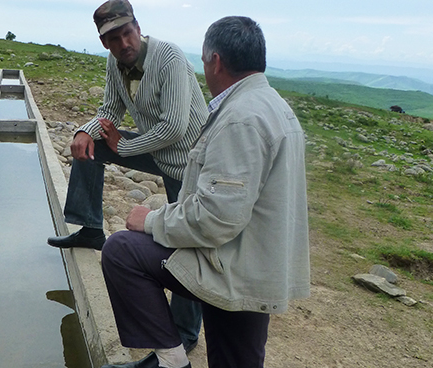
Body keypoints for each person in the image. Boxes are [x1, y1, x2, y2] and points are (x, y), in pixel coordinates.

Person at [100, 16, 311, 368]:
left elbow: (215, 218)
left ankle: (172, 361)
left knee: (122, 250)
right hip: (255, 258)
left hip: (235, 268)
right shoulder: (272, 105)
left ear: (215, 61)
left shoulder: (241, 119)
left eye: (202, 60)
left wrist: (150, 219)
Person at [47, 0, 208, 352]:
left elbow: (175, 127)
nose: (124, 43)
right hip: (159, 153)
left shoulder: (169, 58)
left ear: (138, 26)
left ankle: (185, 332)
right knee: (89, 146)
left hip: (189, 163)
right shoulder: (116, 62)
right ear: (105, 43)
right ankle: (90, 229)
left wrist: (123, 148)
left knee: (187, 243)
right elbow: (110, 110)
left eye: (128, 33)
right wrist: (85, 131)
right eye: (115, 39)